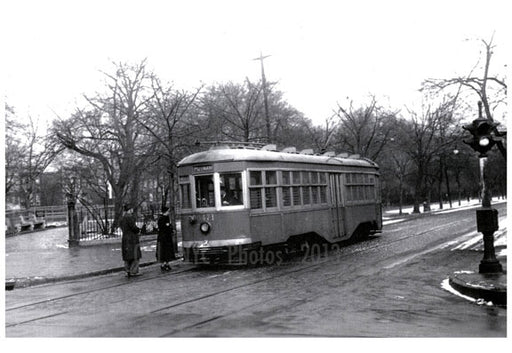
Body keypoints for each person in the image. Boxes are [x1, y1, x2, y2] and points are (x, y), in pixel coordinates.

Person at [120, 204, 142, 277]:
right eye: (131, 209)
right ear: (129, 210)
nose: (132, 210)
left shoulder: (122, 218)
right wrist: (139, 230)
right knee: (135, 255)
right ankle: (134, 271)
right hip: (132, 238)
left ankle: (127, 270)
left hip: (125, 238)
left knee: (127, 256)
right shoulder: (130, 217)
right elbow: (133, 227)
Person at [157, 206, 176, 271]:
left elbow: (168, 226)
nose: (168, 212)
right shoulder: (162, 218)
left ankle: (166, 263)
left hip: (166, 237)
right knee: (164, 250)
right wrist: (170, 229)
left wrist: (171, 229)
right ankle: (164, 264)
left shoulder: (165, 218)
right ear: (165, 212)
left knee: (166, 251)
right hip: (164, 237)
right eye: (168, 211)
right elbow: (164, 227)